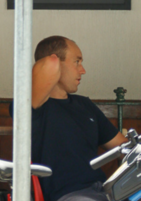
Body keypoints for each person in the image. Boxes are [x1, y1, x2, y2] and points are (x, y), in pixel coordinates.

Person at [28, 36, 126, 201]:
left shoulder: (85, 105)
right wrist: (55, 61)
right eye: (77, 62)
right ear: (57, 65)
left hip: (104, 190)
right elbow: (48, 63)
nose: (83, 70)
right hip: (69, 195)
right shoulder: (33, 107)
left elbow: (124, 148)